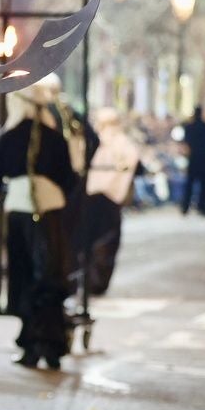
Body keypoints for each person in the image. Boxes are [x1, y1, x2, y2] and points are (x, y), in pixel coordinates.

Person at [0, 79, 78, 370]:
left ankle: (31, 344)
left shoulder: (8, 139)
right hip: (50, 213)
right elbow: (70, 179)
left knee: (25, 277)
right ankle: (51, 344)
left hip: (21, 213)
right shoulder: (56, 137)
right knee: (50, 276)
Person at [83, 107, 139, 296]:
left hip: (106, 199)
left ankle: (97, 281)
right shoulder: (98, 142)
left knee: (103, 242)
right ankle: (93, 280)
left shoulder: (121, 145)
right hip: (100, 199)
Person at [178, 107, 205, 216]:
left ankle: (185, 206)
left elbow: (186, 143)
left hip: (194, 159)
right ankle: (203, 206)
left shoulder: (189, 128)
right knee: (204, 185)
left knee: (190, 184)